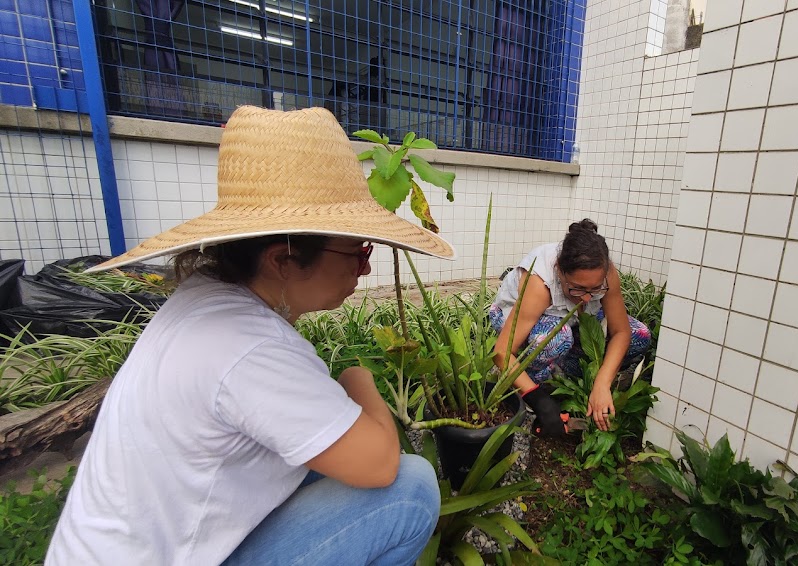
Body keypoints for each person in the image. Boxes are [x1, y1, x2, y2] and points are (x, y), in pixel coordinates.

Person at [46, 106, 455, 566]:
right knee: (411, 489)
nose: (365, 265)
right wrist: (358, 380)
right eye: (357, 249)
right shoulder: (252, 347)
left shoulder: (208, 297)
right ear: (282, 260)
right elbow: (379, 465)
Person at [489, 220, 651, 438]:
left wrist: (602, 382)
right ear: (559, 271)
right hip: (517, 318)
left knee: (640, 335)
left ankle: (562, 372)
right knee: (555, 339)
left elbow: (622, 332)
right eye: (577, 288)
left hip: (571, 320)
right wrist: (539, 400)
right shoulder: (540, 283)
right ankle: (529, 383)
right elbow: (501, 352)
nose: (586, 297)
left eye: (595, 289)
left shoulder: (605, 273)